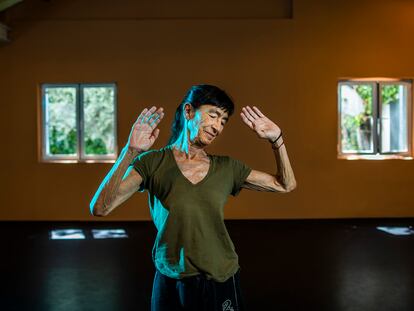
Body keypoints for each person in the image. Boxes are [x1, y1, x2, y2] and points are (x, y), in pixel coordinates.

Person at [89, 84, 297, 311]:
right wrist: (130, 152)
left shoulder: (227, 168)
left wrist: (277, 140)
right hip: (171, 277)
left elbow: (285, 184)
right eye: (214, 115)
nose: (218, 126)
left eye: (223, 121)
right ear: (189, 112)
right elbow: (101, 207)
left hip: (220, 277)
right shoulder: (153, 163)